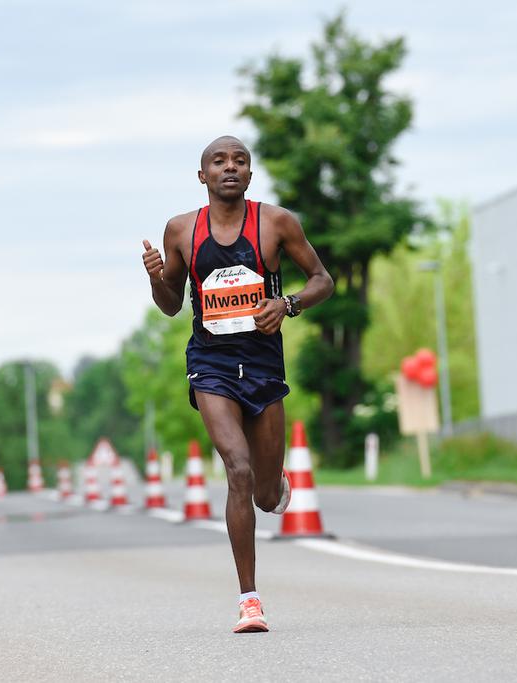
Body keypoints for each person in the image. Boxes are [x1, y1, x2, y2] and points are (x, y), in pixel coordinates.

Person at [141, 135, 334, 633]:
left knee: (266, 495)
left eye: (240, 161)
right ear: (202, 175)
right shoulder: (182, 230)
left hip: (264, 363)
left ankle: (276, 485)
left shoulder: (276, 223)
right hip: (211, 363)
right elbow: (170, 304)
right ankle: (249, 600)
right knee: (238, 469)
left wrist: (286, 305)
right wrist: (157, 278)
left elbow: (322, 280)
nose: (231, 167)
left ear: (250, 174)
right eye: (219, 161)